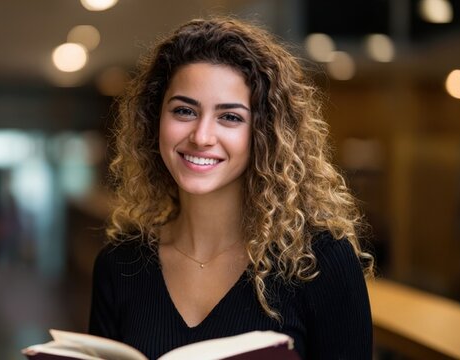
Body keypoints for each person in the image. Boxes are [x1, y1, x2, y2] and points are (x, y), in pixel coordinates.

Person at [88, 17, 374, 359]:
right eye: (184, 111)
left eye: (230, 117)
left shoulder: (320, 262)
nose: (202, 136)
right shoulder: (119, 264)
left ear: (264, 135)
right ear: (154, 120)